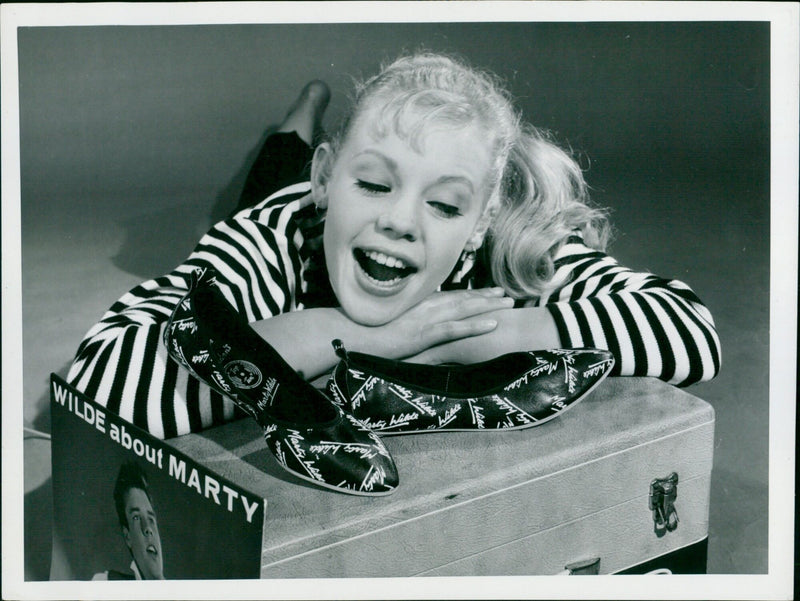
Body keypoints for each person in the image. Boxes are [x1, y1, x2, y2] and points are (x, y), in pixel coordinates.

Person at [67, 53, 721, 439]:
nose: (401, 221)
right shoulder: (265, 241)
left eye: (443, 204)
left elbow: (691, 331)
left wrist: (494, 330)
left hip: (347, 214)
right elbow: (96, 387)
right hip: (291, 208)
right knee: (264, 181)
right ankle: (304, 116)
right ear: (329, 178)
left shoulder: (498, 247)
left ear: (479, 221)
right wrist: (377, 338)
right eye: (376, 183)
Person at [92, 462, 165, 580]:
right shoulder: (107, 582)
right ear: (127, 537)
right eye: (136, 518)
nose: (147, 528)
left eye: (150, 519)